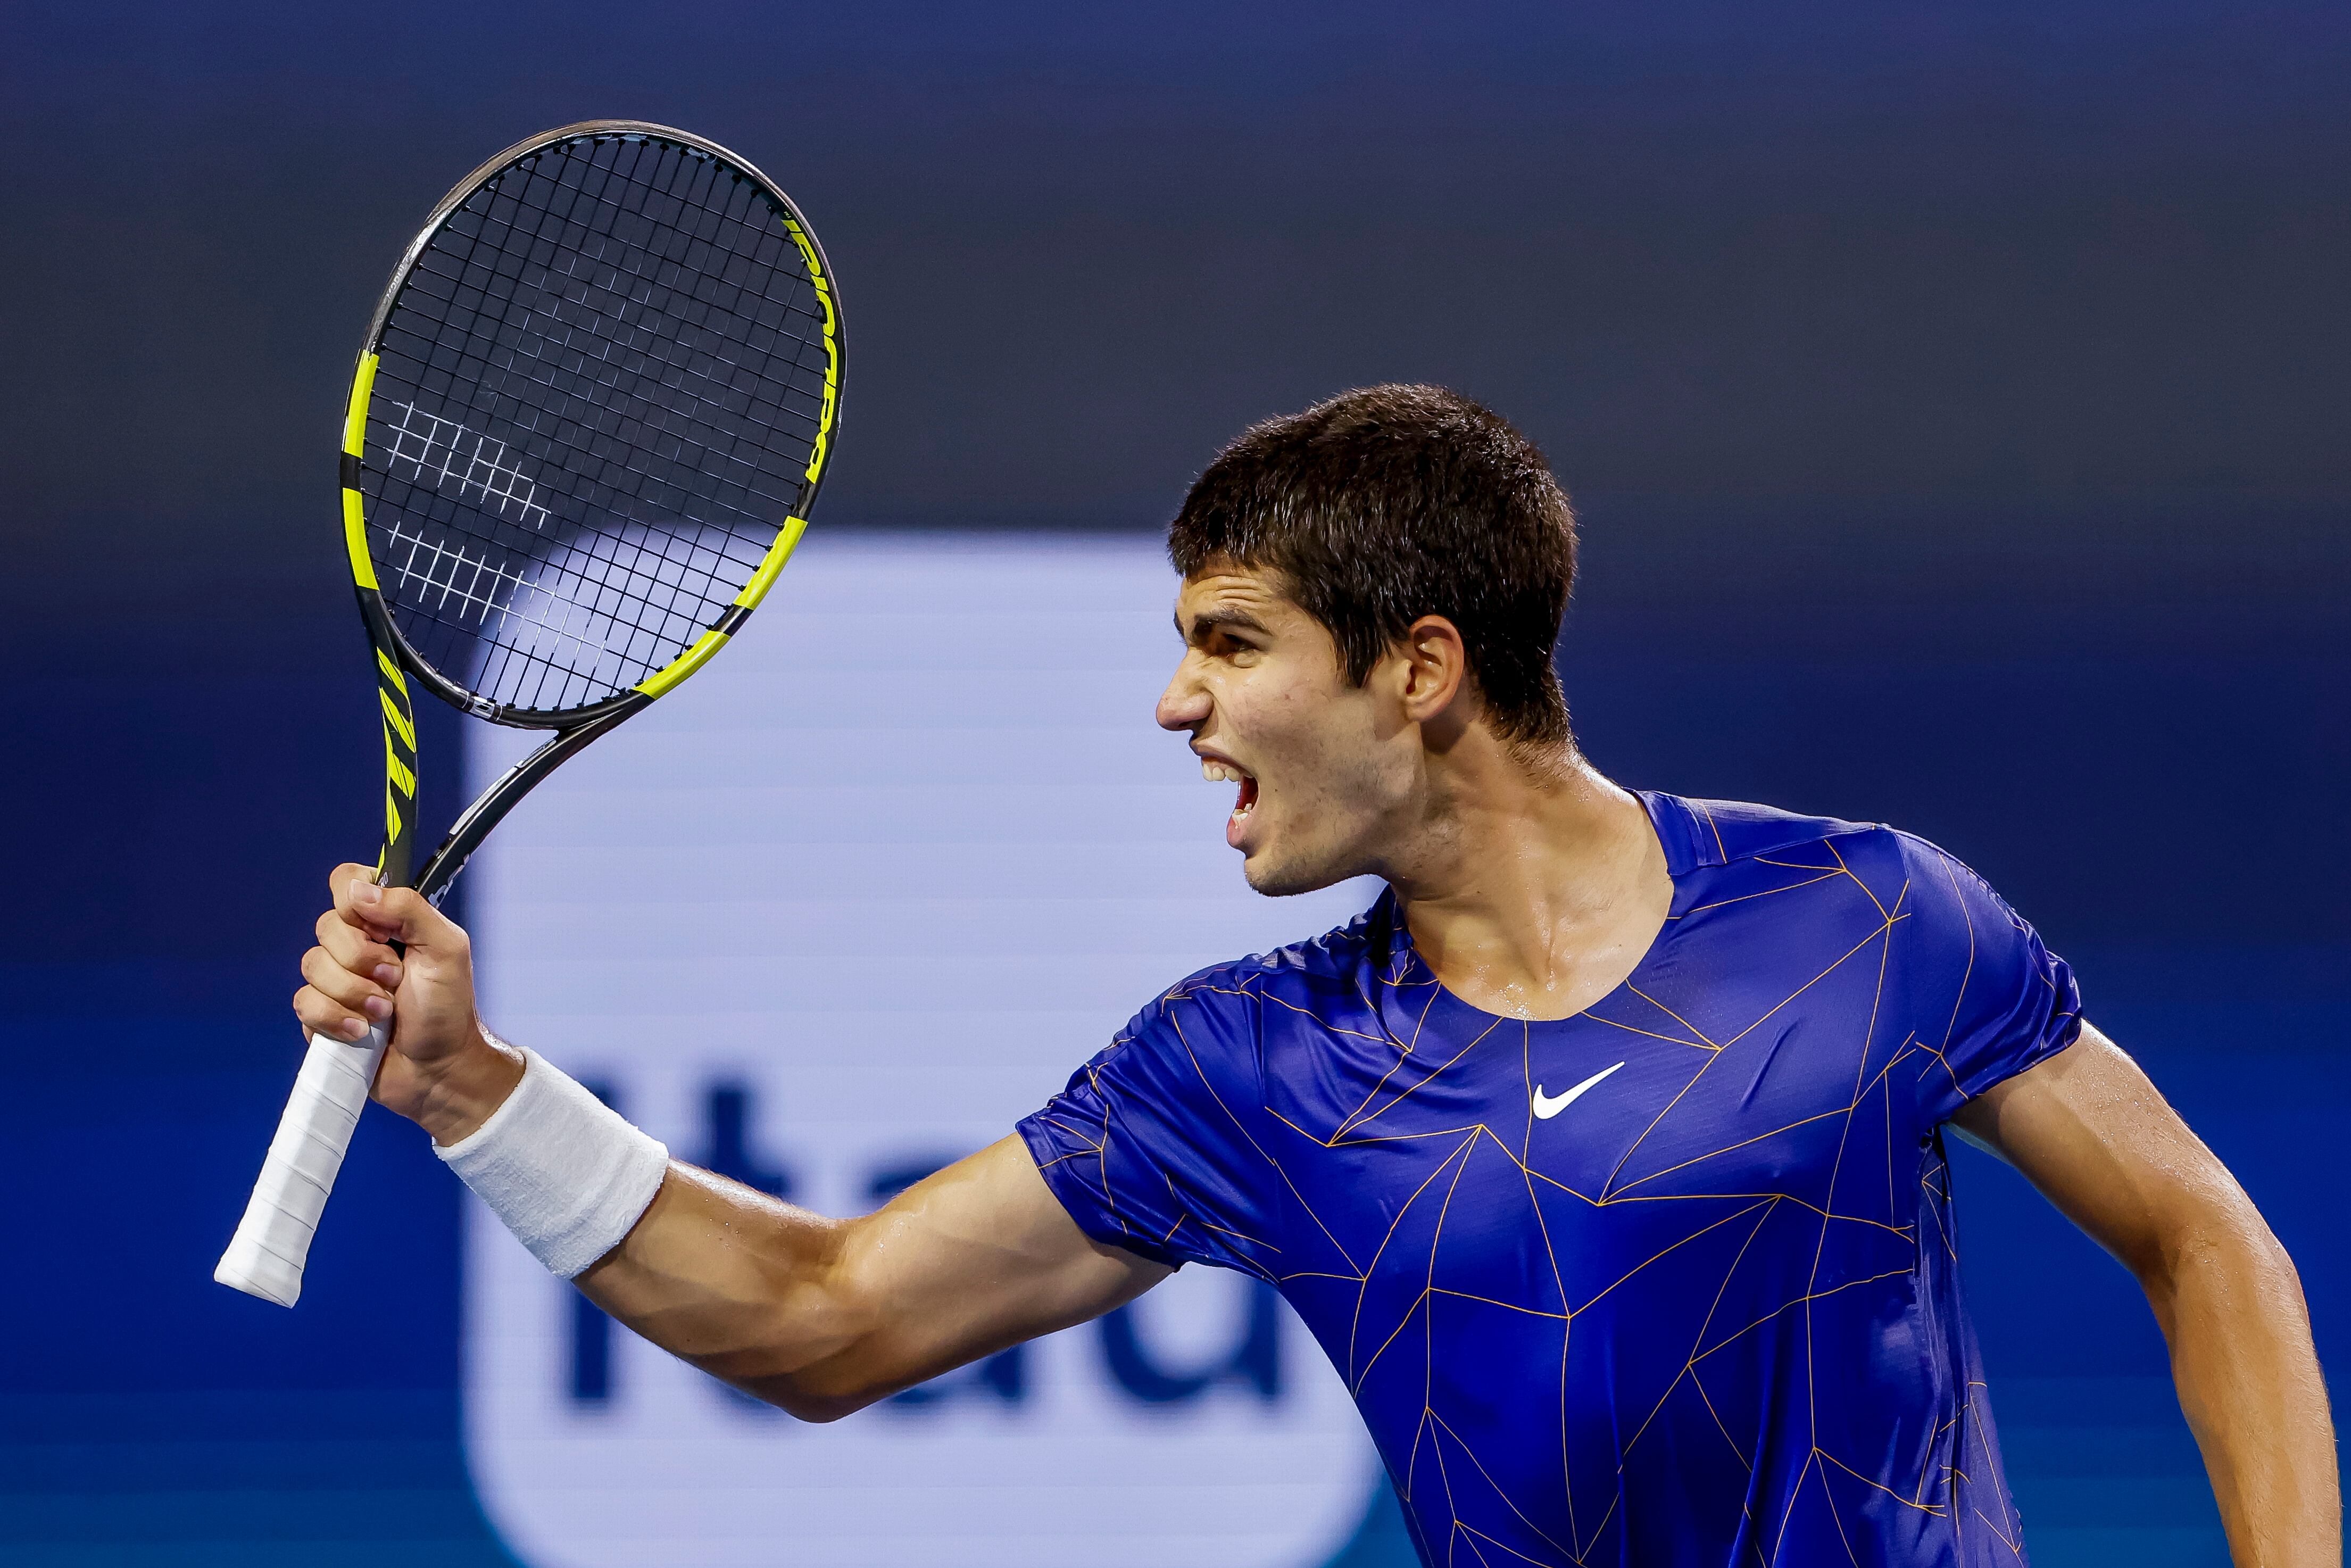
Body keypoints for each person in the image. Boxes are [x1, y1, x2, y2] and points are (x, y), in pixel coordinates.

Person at [293, 385, 2337, 1566]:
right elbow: (820, 1320)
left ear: (1418, 667)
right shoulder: (1251, 1070)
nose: (1176, 702)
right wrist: (478, 1089)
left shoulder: (1871, 919)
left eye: (1232, 640)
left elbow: (2202, 1237)